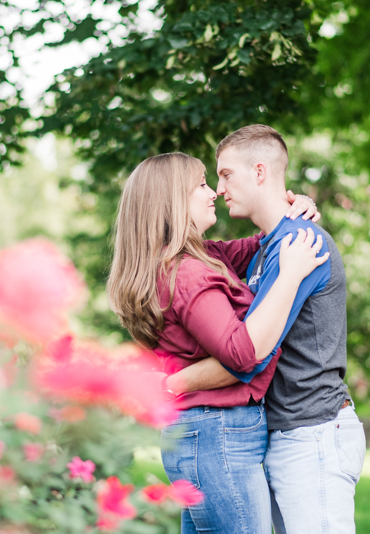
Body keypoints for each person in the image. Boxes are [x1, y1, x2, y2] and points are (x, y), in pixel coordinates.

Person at [107, 152, 329, 534]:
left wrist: (294, 207)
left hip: (200, 433)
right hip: (218, 435)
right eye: (202, 185)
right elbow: (243, 353)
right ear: (173, 200)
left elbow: (260, 242)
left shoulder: (198, 258)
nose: (214, 193)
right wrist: (290, 275)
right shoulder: (189, 273)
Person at [164, 125, 366, 534]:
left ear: (260, 172)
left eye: (225, 175)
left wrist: (173, 382)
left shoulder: (301, 244)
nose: (220, 189)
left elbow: (250, 354)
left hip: (313, 435)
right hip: (283, 434)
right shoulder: (267, 249)